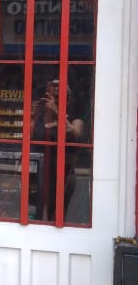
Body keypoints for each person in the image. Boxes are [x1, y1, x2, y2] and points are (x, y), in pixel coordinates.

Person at [31, 78, 85, 221]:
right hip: (41, 173)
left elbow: (76, 136)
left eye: (59, 97)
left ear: (68, 99)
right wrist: (36, 112)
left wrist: (57, 110)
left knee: (59, 217)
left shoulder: (74, 117)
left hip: (64, 174)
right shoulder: (42, 116)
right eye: (52, 95)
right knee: (39, 215)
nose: (55, 100)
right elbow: (31, 137)